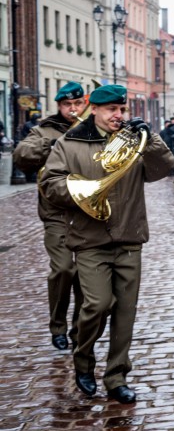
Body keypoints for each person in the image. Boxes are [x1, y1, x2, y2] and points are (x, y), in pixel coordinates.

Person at [40, 84, 174, 404]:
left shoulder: (133, 140)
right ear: (95, 110)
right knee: (97, 304)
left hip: (129, 236)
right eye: (113, 110)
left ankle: (116, 376)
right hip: (90, 239)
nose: (119, 116)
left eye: (123, 110)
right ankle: (83, 360)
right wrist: (85, 192)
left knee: (125, 312)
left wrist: (151, 139)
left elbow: (162, 168)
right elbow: (50, 183)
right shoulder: (70, 143)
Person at [13, 82, 88, 350]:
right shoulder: (43, 129)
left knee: (85, 274)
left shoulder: (92, 127)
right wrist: (51, 145)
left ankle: (81, 329)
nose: (73, 109)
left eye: (78, 104)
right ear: (59, 106)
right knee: (64, 268)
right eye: (68, 105)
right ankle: (58, 325)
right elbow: (21, 155)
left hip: (89, 211)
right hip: (56, 211)